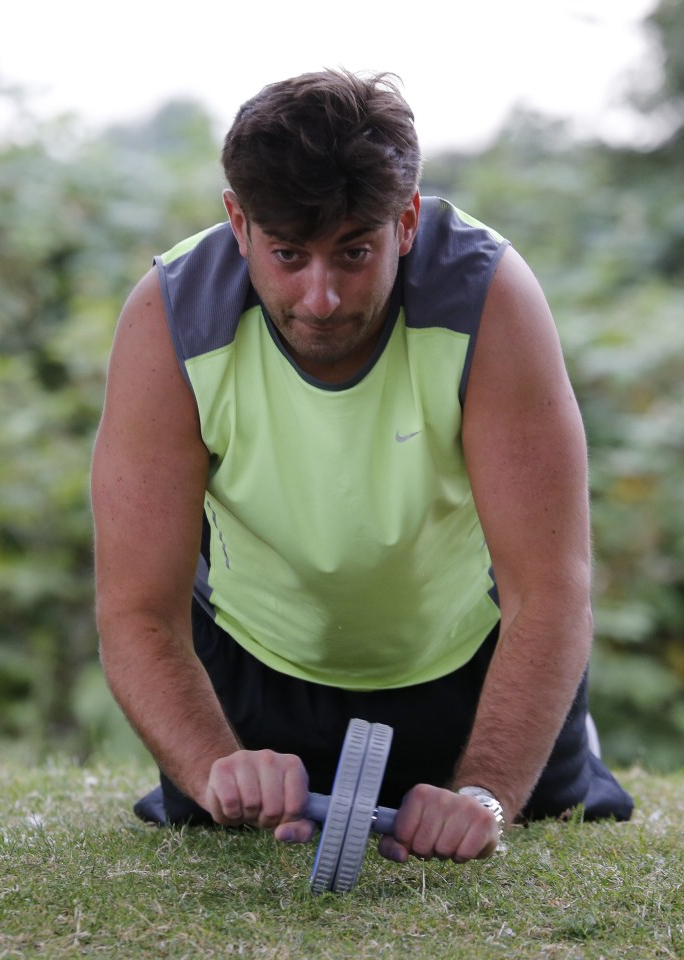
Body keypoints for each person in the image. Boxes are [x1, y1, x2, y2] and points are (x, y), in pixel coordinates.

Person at [90, 69, 633, 867]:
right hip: (255, 674)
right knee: (220, 822)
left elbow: (551, 589)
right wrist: (211, 763)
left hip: (468, 670)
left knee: (539, 815)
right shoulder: (167, 317)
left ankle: (544, 759)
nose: (321, 297)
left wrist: (484, 793)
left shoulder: (488, 295)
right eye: (287, 255)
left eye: (353, 252)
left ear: (406, 221)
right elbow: (135, 608)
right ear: (237, 223)